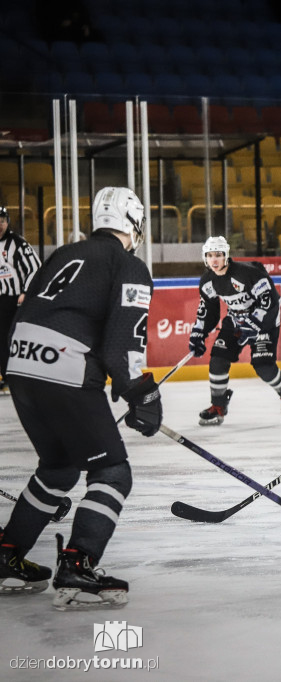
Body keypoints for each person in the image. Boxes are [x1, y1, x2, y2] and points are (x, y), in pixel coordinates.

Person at [0, 187, 160, 609]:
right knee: (112, 473)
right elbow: (123, 342)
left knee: (58, 469)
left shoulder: (62, 253)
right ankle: (77, 564)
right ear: (135, 223)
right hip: (64, 369)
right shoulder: (128, 264)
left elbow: (27, 309)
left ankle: (6, 556)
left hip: (19, 364)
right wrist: (140, 392)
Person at [188, 236, 281, 426]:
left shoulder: (248, 273)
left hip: (265, 322)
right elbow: (209, 312)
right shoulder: (207, 282)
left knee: (263, 366)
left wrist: (254, 323)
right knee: (217, 360)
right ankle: (218, 406)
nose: (214, 260)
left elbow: (270, 300)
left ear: (227, 256)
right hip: (236, 320)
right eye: (210, 255)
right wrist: (198, 334)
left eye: (219, 255)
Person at [0, 205, 42, 393]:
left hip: (13, 300)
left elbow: (34, 267)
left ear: (7, 222)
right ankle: (6, 377)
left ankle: (16, 378)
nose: (0, 224)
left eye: (2, 220)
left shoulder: (17, 242)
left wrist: (25, 291)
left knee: (12, 340)